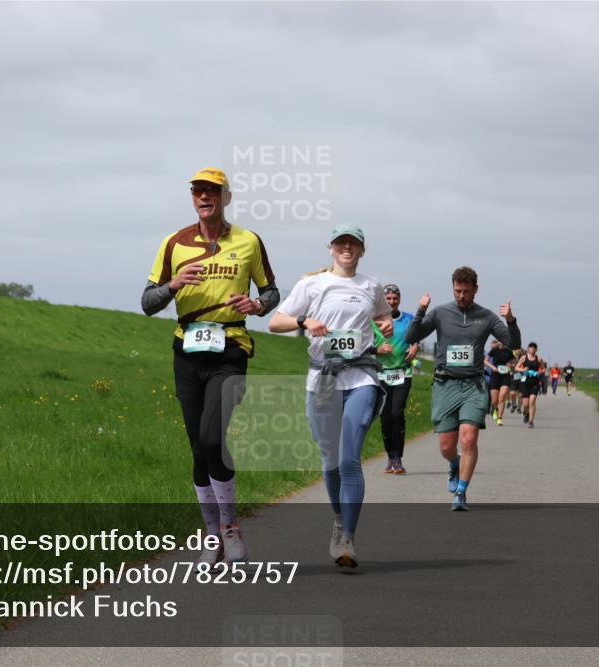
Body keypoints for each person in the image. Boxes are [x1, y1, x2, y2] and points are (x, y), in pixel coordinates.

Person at [142, 167, 279, 567]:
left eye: (212, 191)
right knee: (197, 447)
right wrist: (173, 285)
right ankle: (212, 535)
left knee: (211, 436)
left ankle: (231, 527)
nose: (204, 197)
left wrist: (258, 305)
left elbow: (271, 292)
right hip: (186, 353)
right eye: (198, 191)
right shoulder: (174, 243)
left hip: (230, 349)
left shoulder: (249, 241)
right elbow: (147, 303)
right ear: (192, 198)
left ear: (226, 198)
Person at [269, 225, 392, 568]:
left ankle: (348, 539)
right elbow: (275, 323)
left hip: (362, 377)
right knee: (330, 461)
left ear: (362, 250)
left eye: (353, 243)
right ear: (331, 248)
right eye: (341, 243)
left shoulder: (371, 285)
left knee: (349, 459)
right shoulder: (312, 284)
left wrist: (385, 323)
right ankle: (339, 519)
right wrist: (304, 321)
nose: (347, 248)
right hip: (323, 380)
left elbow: (383, 314)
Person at [404, 266, 521, 510]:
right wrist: (420, 310)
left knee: (469, 438)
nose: (462, 296)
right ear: (453, 288)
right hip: (445, 384)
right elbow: (411, 336)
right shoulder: (440, 313)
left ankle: (461, 492)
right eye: (458, 291)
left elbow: (513, 343)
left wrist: (510, 319)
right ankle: (454, 464)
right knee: (447, 446)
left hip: (473, 385)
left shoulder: (486, 317)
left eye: (466, 291)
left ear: (476, 289)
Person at [373, 284, 418, 474]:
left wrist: (415, 346)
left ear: (399, 299)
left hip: (403, 373)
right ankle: (390, 456)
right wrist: (377, 349)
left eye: (395, 298)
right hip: (381, 374)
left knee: (397, 414)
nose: (392, 302)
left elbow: (416, 338)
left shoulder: (408, 319)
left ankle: (398, 458)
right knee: (385, 417)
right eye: (388, 299)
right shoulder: (373, 320)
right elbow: (364, 345)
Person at [484, 340, 516, 426]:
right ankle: (494, 409)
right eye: (500, 341)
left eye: (504, 342)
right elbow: (485, 361)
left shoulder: (509, 352)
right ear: (498, 342)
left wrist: (511, 365)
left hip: (505, 376)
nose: (502, 343)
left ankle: (499, 418)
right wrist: (493, 367)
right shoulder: (494, 350)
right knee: (494, 400)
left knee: (502, 397)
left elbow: (514, 362)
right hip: (495, 376)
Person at [515, 343, 545, 428]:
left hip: (535, 382)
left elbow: (544, 369)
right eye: (531, 347)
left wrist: (539, 372)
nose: (532, 349)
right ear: (528, 349)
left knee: (532, 401)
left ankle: (531, 421)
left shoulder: (539, 358)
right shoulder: (523, 358)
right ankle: (527, 413)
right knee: (525, 404)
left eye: (534, 348)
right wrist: (523, 369)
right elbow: (516, 368)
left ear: (536, 349)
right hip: (525, 382)